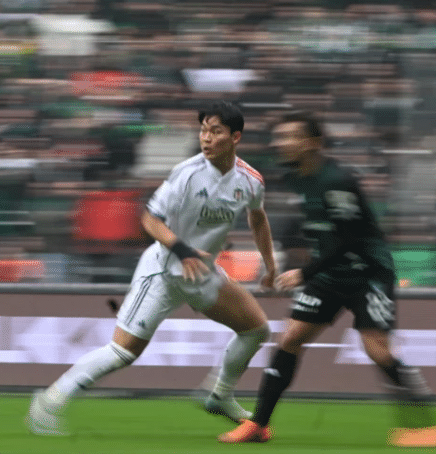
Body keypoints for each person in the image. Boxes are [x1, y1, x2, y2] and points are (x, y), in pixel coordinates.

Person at [29, 101, 277, 435]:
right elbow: (149, 219)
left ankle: (219, 395)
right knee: (123, 352)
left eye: (215, 131)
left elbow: (257, 218)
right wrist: (183, 250)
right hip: (164, 272)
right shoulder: (187, 173)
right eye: (203, 130)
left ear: (235, 137)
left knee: (256, 330)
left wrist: (270, 265)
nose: (206, 138)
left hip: (201, 274)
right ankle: (48, 401)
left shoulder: (250, 180)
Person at [218, 111, 436, 447]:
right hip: (329, 273)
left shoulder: (338, 180)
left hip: (367, 273)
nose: (280, 143)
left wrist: (305, 272)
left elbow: (351, 239)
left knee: (377, 350)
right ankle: (259, 424)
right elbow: (317, 227)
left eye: (290, 136)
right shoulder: (296, 177)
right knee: (290, 339)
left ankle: (426, 426)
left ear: (313, 143)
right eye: (279, 136)